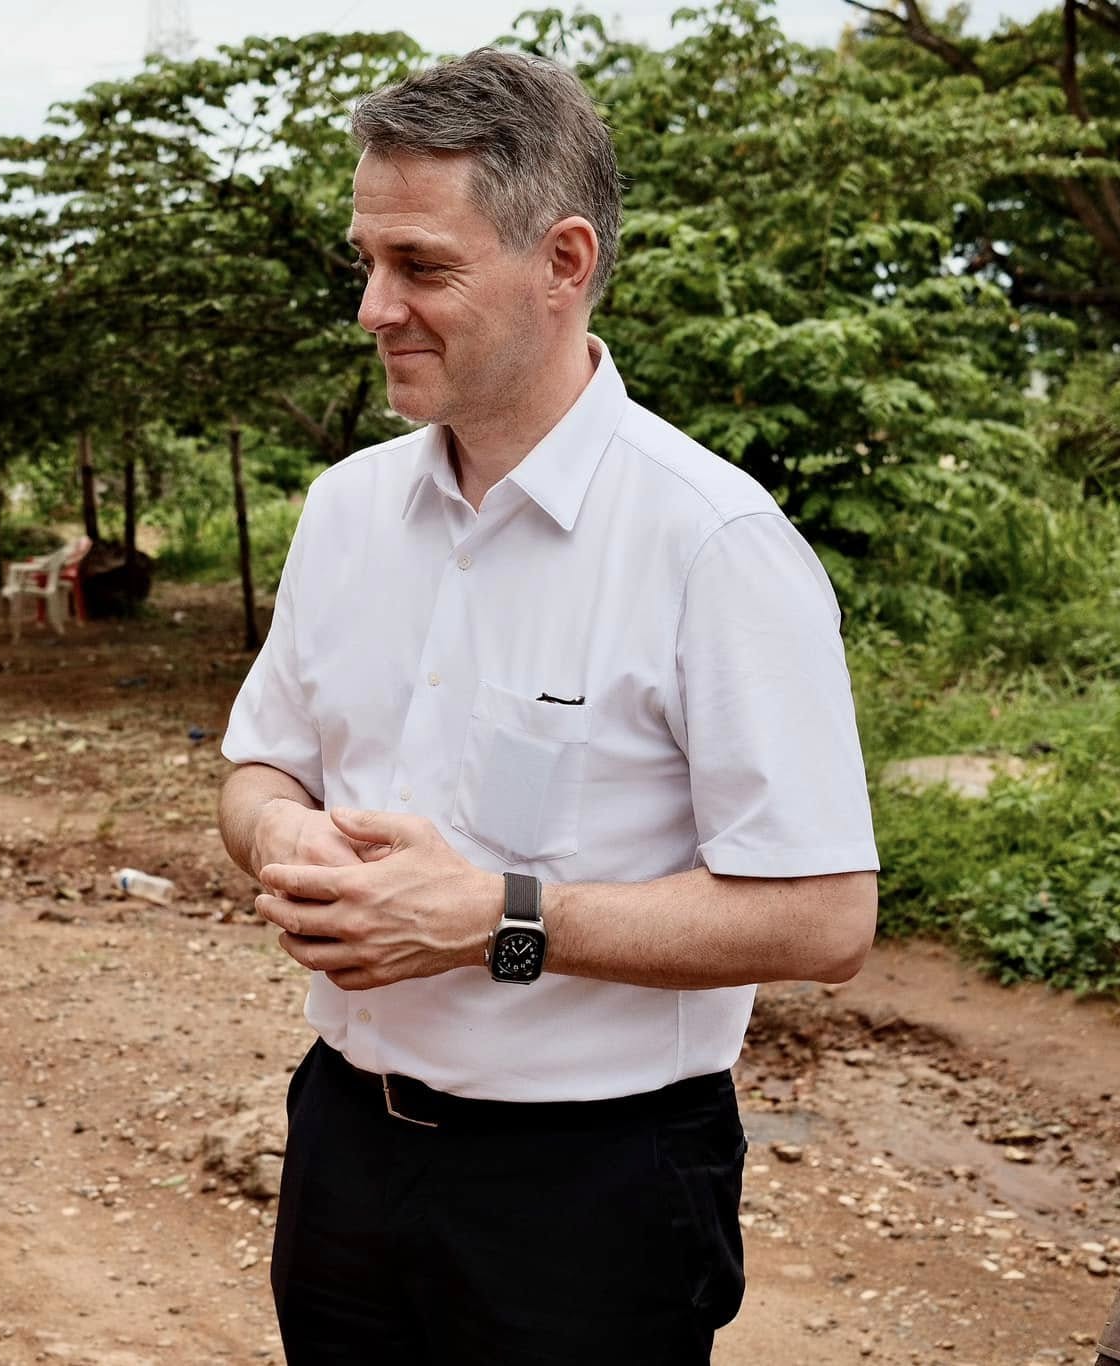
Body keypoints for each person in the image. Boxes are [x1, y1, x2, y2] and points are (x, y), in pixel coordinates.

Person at [216, 49, 879, 1365]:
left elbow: (825, 913)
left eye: (422, 266)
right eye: (367, 259)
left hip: (595, 1187)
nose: (371, 306)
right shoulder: (346, 511)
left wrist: (502, 921)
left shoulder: (712, 544)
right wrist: (279, 837)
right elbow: (260, 767)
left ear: (564, 259)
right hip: (344, 1143)